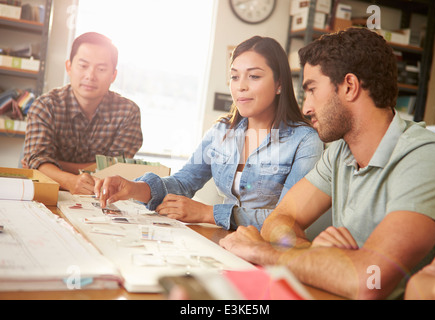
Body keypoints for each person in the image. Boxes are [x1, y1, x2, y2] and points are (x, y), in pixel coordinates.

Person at [219, 28, 435, 299]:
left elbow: (369, 280)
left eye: (312, 90)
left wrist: (261, 251)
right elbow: (279, 220)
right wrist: (312, 253)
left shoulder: (426, 157)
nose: (305, 108)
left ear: (349, 87)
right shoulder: (340, 152)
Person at [95, 36, 323, 230]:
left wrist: (209, 213)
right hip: (224, 242)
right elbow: (184, 182)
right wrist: (135, 189)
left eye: (254, 76)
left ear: (279, 84)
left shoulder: (304, 141)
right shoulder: (222, 132)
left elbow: (286, 219)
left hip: (270, 251)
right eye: (235, 76)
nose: (240, 86)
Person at [23, 32, 143, 195]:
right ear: (69, 67)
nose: (90, 76)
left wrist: (55, 165)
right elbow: (38, 164)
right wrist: (70, 181)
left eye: (101, 69)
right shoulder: (45, 106)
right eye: (83, 66)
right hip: (43, 191)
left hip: (100, 196)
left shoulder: (128, 113)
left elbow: (116, 168)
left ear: (113, 75)